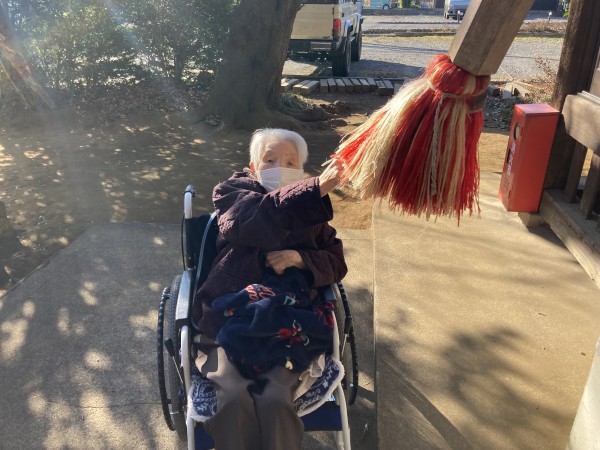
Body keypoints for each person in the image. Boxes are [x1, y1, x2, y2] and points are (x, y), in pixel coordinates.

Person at [191, 128, 347, 450]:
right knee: (234, 399)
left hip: (287, 326)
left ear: (301, 170)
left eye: (290, 162)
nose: (280, 167)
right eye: (270, 160)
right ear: (253, 167)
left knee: (275, 400)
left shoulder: (313, 216)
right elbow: (250, 221)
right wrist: (316, 189)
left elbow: (335, 261)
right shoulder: (231, 194)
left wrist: (300, 258)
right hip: (228, 321)